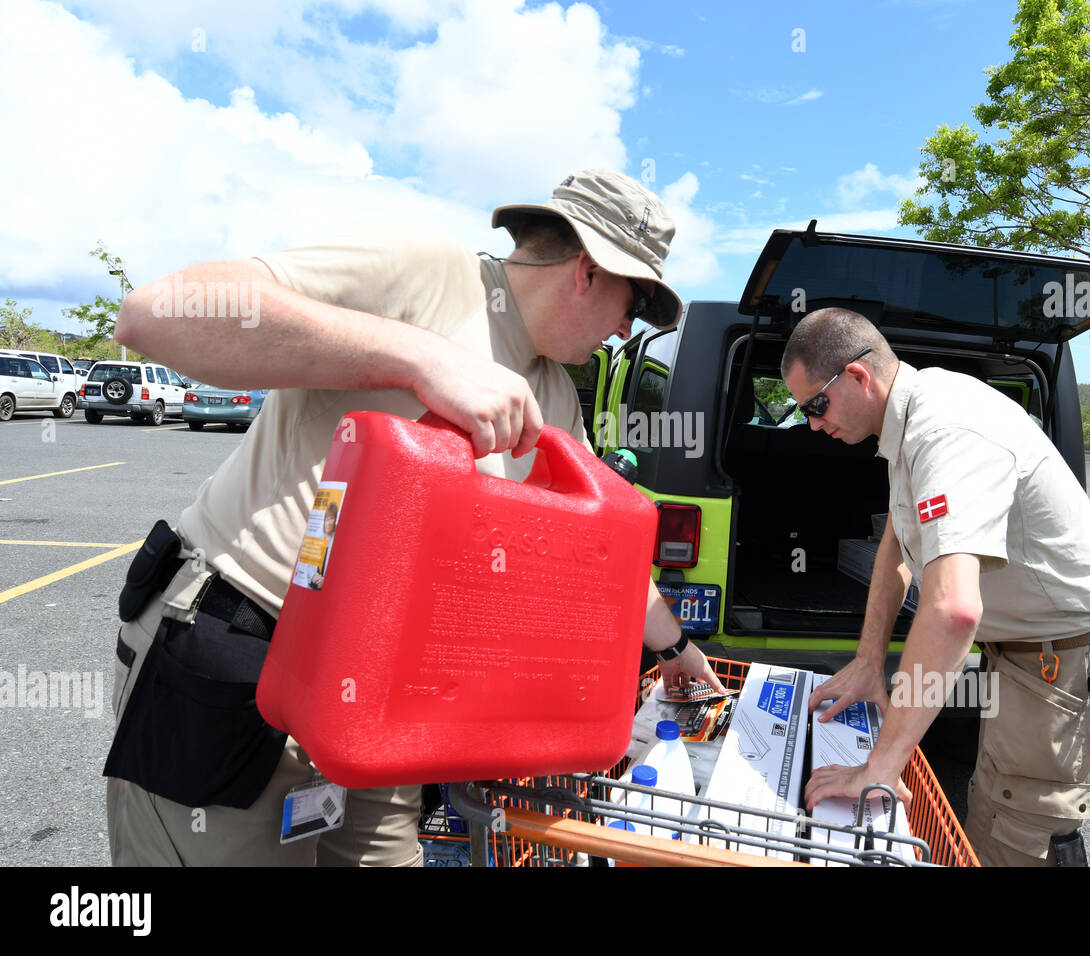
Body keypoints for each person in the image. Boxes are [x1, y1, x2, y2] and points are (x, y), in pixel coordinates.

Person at [103, 168, 723, 866]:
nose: (623, 330)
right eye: (632, 304)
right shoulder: (431, 274)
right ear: (588, 269)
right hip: (240, 658)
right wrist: (420, 356)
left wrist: (673, 651)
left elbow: (598, 556)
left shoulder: (552, 393)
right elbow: (154, 315)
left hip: (381, 703)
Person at [787, 308, 1090, 867]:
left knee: (1012, 844)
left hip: (1065, 669)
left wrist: (879, 769)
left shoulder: (943, 429)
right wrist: (867, 658)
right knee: (986, 815)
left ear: (858, 377)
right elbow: (898, 541)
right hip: (1024, 662)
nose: (810, 424)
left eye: (815, 405)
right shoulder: (906, 423)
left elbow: (952, 611)